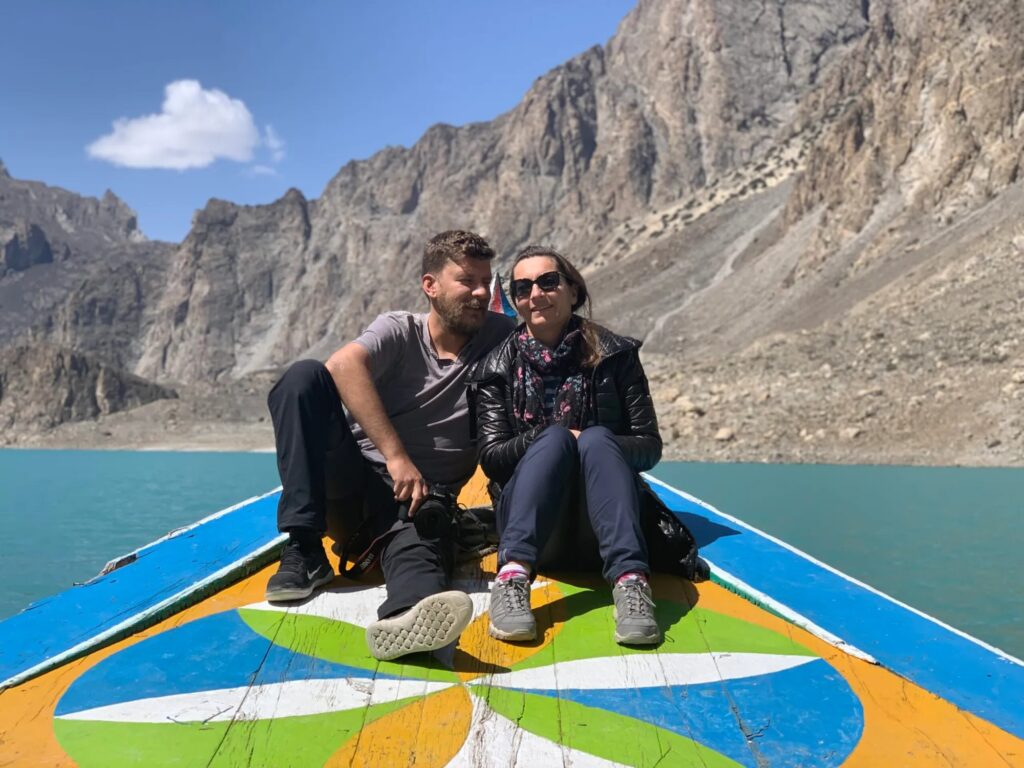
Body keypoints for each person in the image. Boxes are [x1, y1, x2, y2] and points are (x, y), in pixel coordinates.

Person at [265, 230, 514, 661]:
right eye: (466, 281)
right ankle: (305, 548)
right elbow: (342, 365)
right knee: (303, 379)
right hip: (355, 484)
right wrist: (397, 458)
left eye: (485, 282)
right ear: (430, 285)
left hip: (422, 502)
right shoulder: (400, 330)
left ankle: (406, 619)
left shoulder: (501, 336)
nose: (479, 293)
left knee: (422, 550)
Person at [473, 245, 663, 645]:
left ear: (573, 290)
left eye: (548, 282)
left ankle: (630, 582)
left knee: (596, 438)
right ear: (515, 301)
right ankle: (512, 579)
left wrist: (592, 443)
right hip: (534, 530)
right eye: (522, 288)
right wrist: (549, 438)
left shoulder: (616, 356)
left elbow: (648, 446)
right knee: (557, 438)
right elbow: (492, 459)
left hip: (603, 526)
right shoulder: (495, 368)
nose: (535, 294)